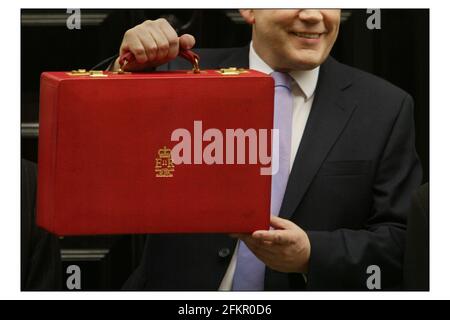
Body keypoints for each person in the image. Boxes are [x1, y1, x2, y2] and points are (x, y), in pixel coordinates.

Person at [102, 9, 422, 290]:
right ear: (248, 10)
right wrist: (123, 66)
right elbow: (97, 151)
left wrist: (312, 253)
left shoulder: (386, 108)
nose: (313, 14)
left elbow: (402, 240)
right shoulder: (179, 74)